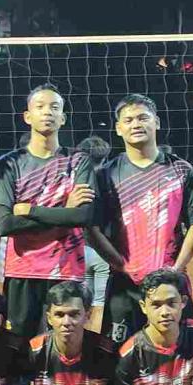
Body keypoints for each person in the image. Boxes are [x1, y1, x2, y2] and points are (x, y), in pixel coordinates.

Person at [86, 95, 193, 345]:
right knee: (116, 352)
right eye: (128, 120)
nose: (136, 124)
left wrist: (177, 268)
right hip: (125, 285)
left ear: (156, 122)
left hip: (172, 281)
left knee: (183, 349)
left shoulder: (181, 170)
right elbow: (91, 229)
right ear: (118, 128)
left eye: (142, 118)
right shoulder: (105, 175)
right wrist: (120, 265)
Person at [0, 85, 97, 337]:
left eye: (54, 107)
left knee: (66, 342)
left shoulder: (79, 161)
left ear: (63, 118)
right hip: (23, 271)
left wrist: (31, 210)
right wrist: (65, 212)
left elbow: (82, 216)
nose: (47, 112)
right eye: (40, 107)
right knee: (19, 345)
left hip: (66, 270)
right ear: (27, 116)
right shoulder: (9, 163)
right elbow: (5, 225)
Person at [77, 135, 113, 332]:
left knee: (85, 303)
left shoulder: (77, 182)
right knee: (100, 303)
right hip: (104, 250)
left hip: (80, 250)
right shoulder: (109, 180)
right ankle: (95, 345)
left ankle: (85, 344)